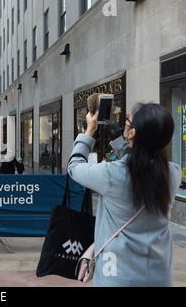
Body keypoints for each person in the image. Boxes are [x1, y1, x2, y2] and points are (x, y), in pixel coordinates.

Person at [68, 103, 181, 287]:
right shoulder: (173, 174)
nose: (124, 123)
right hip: (159, 276)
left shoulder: (112, 175)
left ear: (132, 133)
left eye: (127, 120)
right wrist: (122, 141)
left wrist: (89, 131)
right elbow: (141, 163)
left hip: (116, 277)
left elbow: (74, 167)